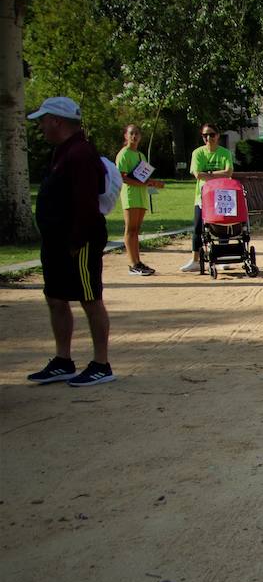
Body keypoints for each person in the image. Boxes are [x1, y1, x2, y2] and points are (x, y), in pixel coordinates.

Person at [25, 97, 117, 388]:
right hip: (57, 240)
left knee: (90, 299)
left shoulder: (80, 153)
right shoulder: (63, 152)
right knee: (55, 297)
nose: (40, 126)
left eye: (43, 120)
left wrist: (78, 239)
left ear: (57, 121)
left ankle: (101, 363)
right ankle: (63, 360)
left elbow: (87, 202)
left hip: (79, 241)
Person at [180, 123, 233, 273]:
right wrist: (217, 173)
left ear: (218, 135)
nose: (208, 138)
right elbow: (197, 174)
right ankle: (195, 259)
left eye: (211, 134)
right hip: (203, 196)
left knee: (223, 227)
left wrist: (208, 174)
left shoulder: (224, 153)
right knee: (197, 227)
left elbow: (228, 172)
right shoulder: (197, 153)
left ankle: (222, 257)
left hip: (221, 195)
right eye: (205, 135)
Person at [117, 124, 165, 275]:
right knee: (130, 229)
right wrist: (144, 183)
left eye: (137, 133)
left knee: (136, 230)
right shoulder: (123, 154)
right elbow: (122, 177)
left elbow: (144, 177)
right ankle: (132, 264)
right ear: (126, 136)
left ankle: (138, 261)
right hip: (130, 195)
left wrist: (154, 183)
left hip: (141, 196)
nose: (134, 136)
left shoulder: (140, 155)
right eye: (131, 133)